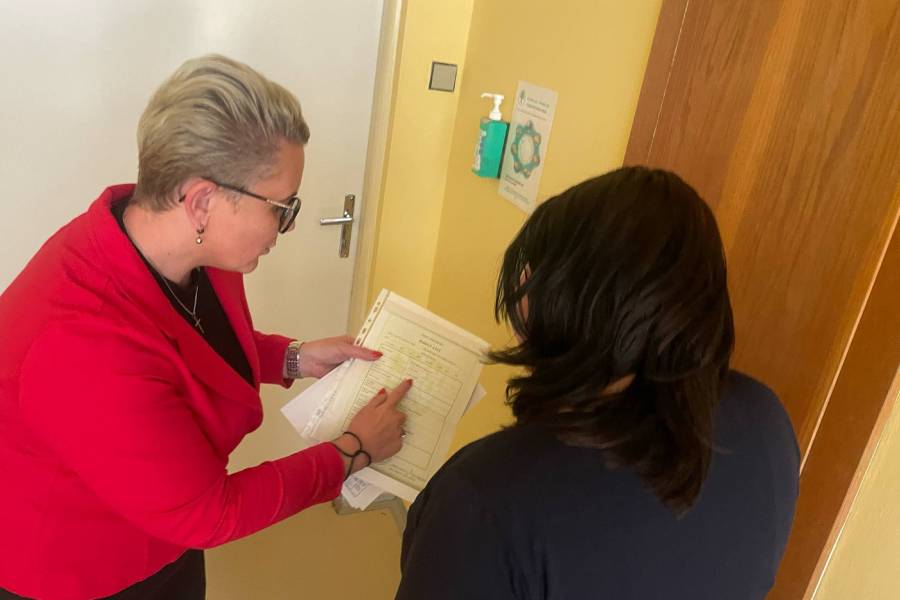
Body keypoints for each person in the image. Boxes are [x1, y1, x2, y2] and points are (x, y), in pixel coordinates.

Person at [0, 54, 410, 600]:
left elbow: (189, 346)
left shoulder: (177, 246)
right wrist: (352, 451)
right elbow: (210, 513)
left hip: (162, 528)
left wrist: (293, 357)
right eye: (281, 207)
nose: (286, 226)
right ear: (201, 201)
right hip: (81, 563)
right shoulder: (82, 344)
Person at [396, 167, 799, 599]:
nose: (520, 294)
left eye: (532, 279)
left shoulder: (486, 498)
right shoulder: (765, 420)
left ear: (573, 302)